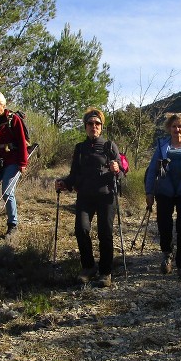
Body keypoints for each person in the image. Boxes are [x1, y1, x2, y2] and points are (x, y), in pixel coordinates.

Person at [54, 107, 122, 287]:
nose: (94, 126)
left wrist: (117, 170)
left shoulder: (109, 146)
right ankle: (89, 266)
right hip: (85, 196)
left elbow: (121, 173)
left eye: (97, 123)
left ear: (101, 126)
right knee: (81, 230)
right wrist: (64, 183)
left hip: (106, 196)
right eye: (90, 123)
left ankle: (105, 272)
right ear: (85, 126)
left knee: (105, 234)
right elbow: (74, 174)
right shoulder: (80, 148)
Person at [144, 112, 181, 280]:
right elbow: (152, 171)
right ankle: (167, 255)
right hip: (164, 191)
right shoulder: (162, 146)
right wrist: (149, 192)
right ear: (169, 128)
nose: (177, 129)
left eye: (180, 126)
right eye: (174, 126)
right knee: (164, 225)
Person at [0, 91, 29, 238]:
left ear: (4, 104)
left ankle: (12, 225)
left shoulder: (13, 119)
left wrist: (22, 163)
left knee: (7, 192)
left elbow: (22, 142)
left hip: (13, 161)